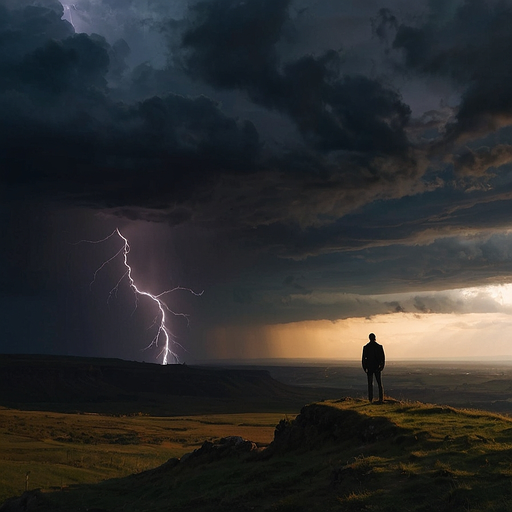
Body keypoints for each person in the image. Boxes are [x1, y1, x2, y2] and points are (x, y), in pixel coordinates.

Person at [362, 333, 385, 403]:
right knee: (379, 383)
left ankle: (370, 399)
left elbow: (363, 359)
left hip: (369, 367)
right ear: (375, 338)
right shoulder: (379, 346)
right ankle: (381, 399)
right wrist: (382, 366)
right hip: (377, 367)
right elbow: (383, 358)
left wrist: (364, 367)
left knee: (370, 384)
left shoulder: (366, 347)